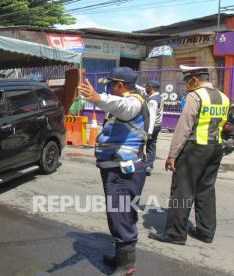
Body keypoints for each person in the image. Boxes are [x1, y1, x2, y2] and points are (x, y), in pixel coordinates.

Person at [148, 65, 230, 245]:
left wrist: (172, 154)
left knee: (182, 192)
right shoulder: (224, 97)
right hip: (215, 149)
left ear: (194, 80)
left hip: (194, 149)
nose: (185, 85)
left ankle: (175, 234)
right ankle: (205, 232)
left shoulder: (195, 96)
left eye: (186, 81)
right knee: (206, 191)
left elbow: (184, 127)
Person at [80, 67, 149, 276]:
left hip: (124, 171)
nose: (108, 89)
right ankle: (121, 257)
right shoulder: (125, 101)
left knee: (121, 215)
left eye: (110, 85)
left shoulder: (134, 101)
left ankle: (126, 265)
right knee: (119, 213)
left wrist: (98, 98)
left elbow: (124, 107)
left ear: (120, 85)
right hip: (115, 169)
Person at [145, 80, 164, 176]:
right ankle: (149, 164)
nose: (145, 88)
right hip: (158, 125)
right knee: (152, 145)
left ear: (151, 88)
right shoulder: (159, 97)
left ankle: (147, 165)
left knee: (148, 145)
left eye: (147, 86)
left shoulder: (152, 101)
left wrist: (149, 132)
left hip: (151, 126)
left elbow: (152, 116)